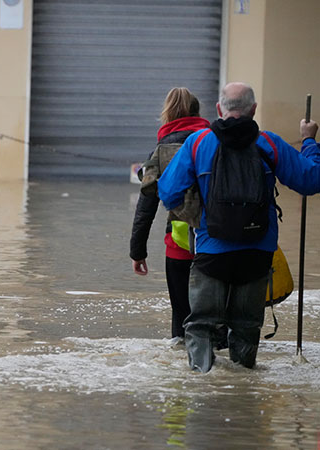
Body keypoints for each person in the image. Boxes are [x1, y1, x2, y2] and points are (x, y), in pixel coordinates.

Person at [158, 82, 320, 372]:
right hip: (257, 253)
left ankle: (204, 386)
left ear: (219, 109)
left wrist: (197, 206)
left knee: (202, 326)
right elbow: (311, 181)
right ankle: (242, 393)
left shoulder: (198, 143)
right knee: (246, 327)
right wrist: (308, 141)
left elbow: (168, 192)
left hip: (212, 250)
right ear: (254, 110)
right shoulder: (269, 143)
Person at [130, 87, 210, 345]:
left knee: (181, 319)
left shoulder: (161, 150)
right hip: (216, 244)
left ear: (167, 115)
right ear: (198, 113)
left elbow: (146, 205)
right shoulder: (213, 142)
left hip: (179, 246)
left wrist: (138, 251)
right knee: (214, 317)